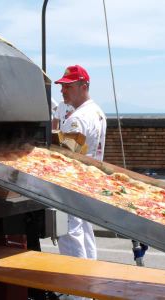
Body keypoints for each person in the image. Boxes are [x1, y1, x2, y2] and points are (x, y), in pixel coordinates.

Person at [54, 65, 106, 262]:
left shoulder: (77, 118)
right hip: (90, 179)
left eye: (68, 86)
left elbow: (66, 155)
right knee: (84, 231)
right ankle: (90, 282)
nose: (63, 90)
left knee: (70, 234)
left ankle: (77, 290)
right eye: (62, 86)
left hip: (74, 181)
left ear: (83, 86)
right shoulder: (97, 111)